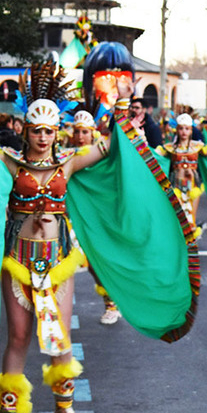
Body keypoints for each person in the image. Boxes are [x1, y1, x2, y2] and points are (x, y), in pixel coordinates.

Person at [0, 63, 111, 413]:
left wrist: (114, 105)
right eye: (36, 129)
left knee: (58, 337)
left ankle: (63, 409)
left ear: (58, 132)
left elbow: (108, 147)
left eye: (49, 130)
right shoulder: (10, 160)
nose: (42, 137)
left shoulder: (68, 162)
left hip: (58, 262)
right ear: (27, 129)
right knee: (19, 337)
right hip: (18, 261)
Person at [70, 109, 120, 325]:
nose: (80, 136)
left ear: (92, 133)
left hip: (95, 218)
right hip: (68, 216)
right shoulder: (66, 154)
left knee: (94, 264)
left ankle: (111, 304)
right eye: (77, 132)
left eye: (84, 132)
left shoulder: (99, 155)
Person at [158, 113, 207, 239]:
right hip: (176, 185)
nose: (184, 131)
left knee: (190, 218)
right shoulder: (170, 147)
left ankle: (189, 249)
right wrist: (141, 139)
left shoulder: (198, 146)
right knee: (177, 217)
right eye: (181, 128)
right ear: (177, 130)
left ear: (191, 130)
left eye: (187, 128)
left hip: (193, 186)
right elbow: (153, 154)